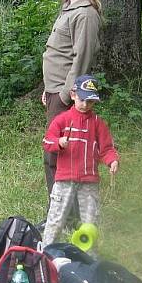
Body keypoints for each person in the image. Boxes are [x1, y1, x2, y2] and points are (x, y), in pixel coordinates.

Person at [41, 0, 102, 205]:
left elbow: (81, 59)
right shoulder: (69, 8)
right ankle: (60, 211)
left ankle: (63, 214)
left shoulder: (85, 14)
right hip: (54, 91)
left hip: (65, 94)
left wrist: (66, 95)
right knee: (55, 151)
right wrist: (48, 89)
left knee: (57, 154)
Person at [41, 74, 118, 246]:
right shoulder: (62, 119)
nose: (85, 105)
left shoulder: (98, 123)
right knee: (56, 219)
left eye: (90, 102)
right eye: (82, 99)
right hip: (64, 180)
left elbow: (107, 149)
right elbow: (47, 142)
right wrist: (59, 143)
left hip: (89, 181)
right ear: (73, 94)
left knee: (90, 221)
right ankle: (47, 252)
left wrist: (112, 160)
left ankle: (89, 256)